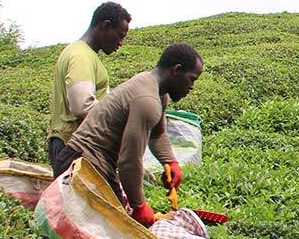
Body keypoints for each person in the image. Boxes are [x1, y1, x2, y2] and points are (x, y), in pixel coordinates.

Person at [52, 43, 202, 227]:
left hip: (95, 164)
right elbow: (129, 160)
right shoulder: (147, 100)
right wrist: (139, 205)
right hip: (81, 165)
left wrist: (170, 162)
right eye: (191, 79)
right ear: (177, 70)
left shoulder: (156, 90)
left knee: (118, 226)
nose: (192, 87)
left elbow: (158, 134)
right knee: (111, 231)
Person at [48, 2, 132, 174]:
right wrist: (121, 115)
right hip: (74, 145)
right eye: (120, 35)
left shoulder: (79, 52)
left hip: (69, 143)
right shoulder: (81, 56)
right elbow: (82, 106)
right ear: (105, 26)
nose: (121, 43)